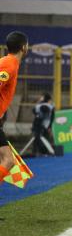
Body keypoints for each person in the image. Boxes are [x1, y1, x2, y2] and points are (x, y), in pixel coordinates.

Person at [0, 31, 28, 185]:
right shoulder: (9, 64)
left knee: (6, 161)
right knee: (8, 160)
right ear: (24, 47)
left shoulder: (9, 62)